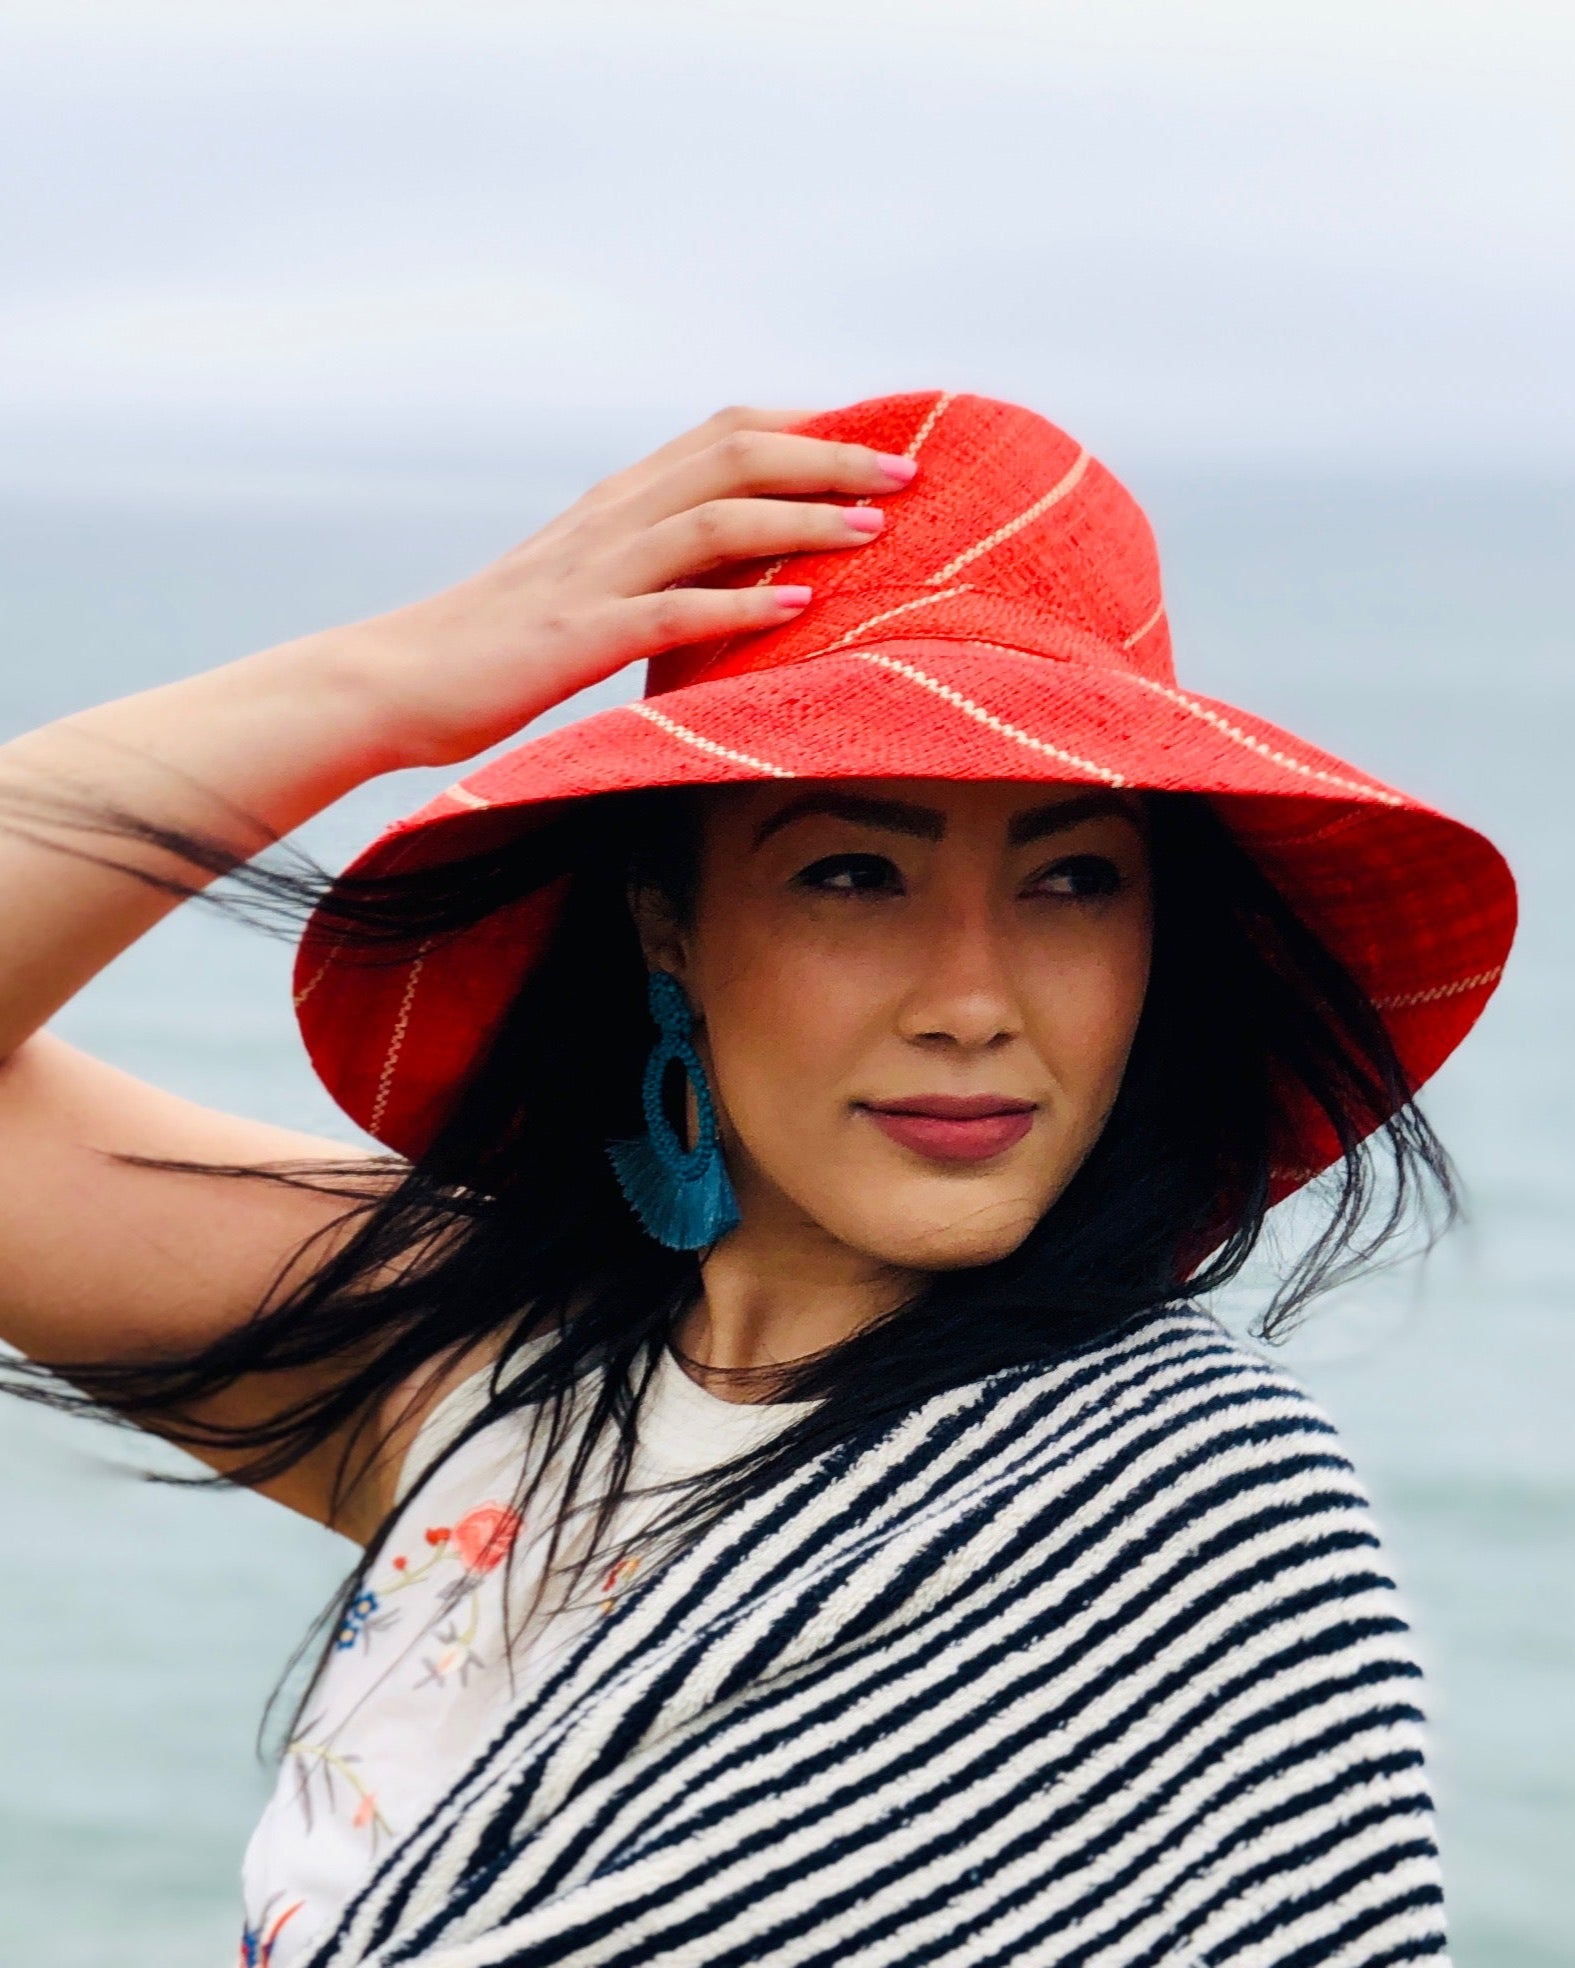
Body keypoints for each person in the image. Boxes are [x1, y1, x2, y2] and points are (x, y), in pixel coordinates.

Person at [0, 391, 1515, 1967]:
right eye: (852, 873)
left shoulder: (1185, 1513)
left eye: (1073, 881)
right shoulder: (488, 1369)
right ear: (670, 923)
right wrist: (399, 680)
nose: (973, 999)